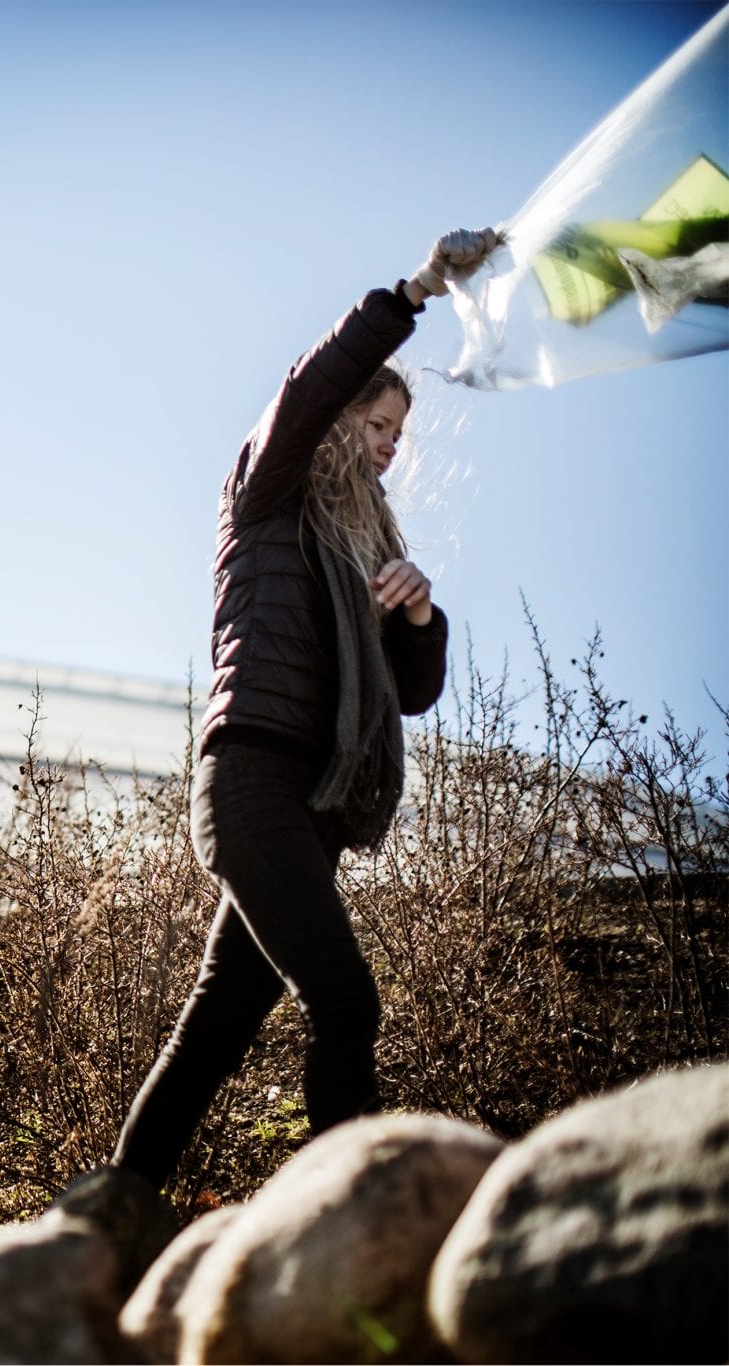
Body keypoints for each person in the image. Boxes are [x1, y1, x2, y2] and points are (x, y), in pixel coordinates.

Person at [111, 228, 502, 1190]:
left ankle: (108, 1212)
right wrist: (414, 292)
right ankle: (351, 1216)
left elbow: (411, 694)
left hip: (316, 800)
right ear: (335, 425)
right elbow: (313, 382)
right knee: (345, 1001)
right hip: (250, 775)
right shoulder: (270, 489)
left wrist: (418, 615)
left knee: (216, 1026)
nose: (386, 447)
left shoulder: (372, 542)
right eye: (376, 426)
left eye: (397, 437)